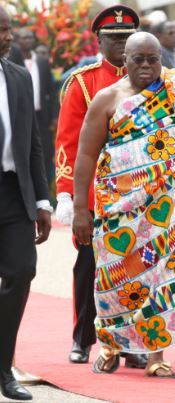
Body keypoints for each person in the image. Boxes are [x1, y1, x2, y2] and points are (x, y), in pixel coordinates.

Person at [73, 32, 175, 377]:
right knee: (113, 282)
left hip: (169, 208)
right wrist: (78, 210)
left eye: (153, 58)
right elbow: (86, 155)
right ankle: (110, 346)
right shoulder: (106, 99)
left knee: (163, 279)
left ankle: (156, 358)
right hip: (118, 209)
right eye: (139, 59)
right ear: (124, 60)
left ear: (161, 58)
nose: (147, 66)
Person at [55, 4, 147, 369]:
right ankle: (83, 338)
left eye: (126, 39)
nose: (121, 47)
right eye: (114, 39)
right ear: (99, 40)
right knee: (90, 267)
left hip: (140, 192)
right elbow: (68, 143)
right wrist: (68, 195)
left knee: (136, 269)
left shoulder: (151, 76)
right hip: (97, 195)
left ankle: (132, 342)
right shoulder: (83, 82)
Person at [0, 6, 52, 401]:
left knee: (22, 272)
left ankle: (4, 370)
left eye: (7, 31)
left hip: (13, 194)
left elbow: (32, 143)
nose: (6, 38)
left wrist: (43, 199)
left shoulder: (18, 77)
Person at [10, 28, 58, 186]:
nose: (27, 41)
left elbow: (51, 89)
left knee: (44, 151)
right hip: (20, 115)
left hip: (41, 116)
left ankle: (43, 188)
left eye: (30, 37)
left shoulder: (42, 62)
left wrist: (54, 116)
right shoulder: (12, 62)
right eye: (23, 38)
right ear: (18, 41)